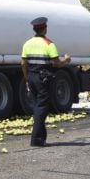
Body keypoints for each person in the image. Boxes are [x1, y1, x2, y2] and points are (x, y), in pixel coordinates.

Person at [21, 17, 71, 147]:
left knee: (37, 107)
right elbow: (57, 64)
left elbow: (23, 63)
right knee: (42, 108)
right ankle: (36, 139)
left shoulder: (27, 43)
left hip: (31, 77)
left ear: (34, 29)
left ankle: (41, 138)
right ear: (44, 29)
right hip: (42, 79)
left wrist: (26, 78)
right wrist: (66, 60)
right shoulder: (49, 44)